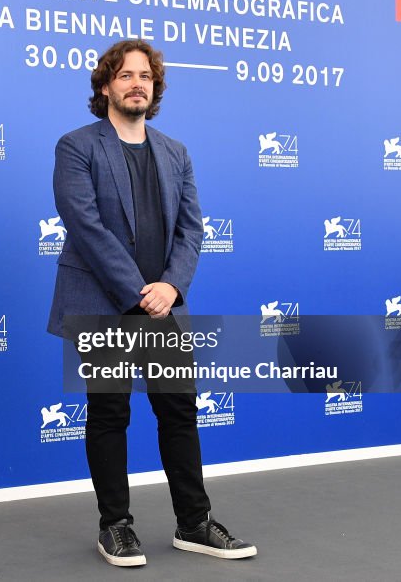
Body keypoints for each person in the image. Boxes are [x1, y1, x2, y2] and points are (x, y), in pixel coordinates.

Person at [47, 39, 256, 567]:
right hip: (103, 301)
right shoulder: (76, 146)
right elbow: (86, 226)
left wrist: (171, 287)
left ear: (155, 87)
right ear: (104, 86)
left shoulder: (175, 152)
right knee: (109, 414)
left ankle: (194, 523)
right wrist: (140, 293)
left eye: (145, 75)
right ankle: (115, 527)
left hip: (165, 303)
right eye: (124, 75)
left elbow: (192, 229)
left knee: (179, 413)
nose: (137, 82)